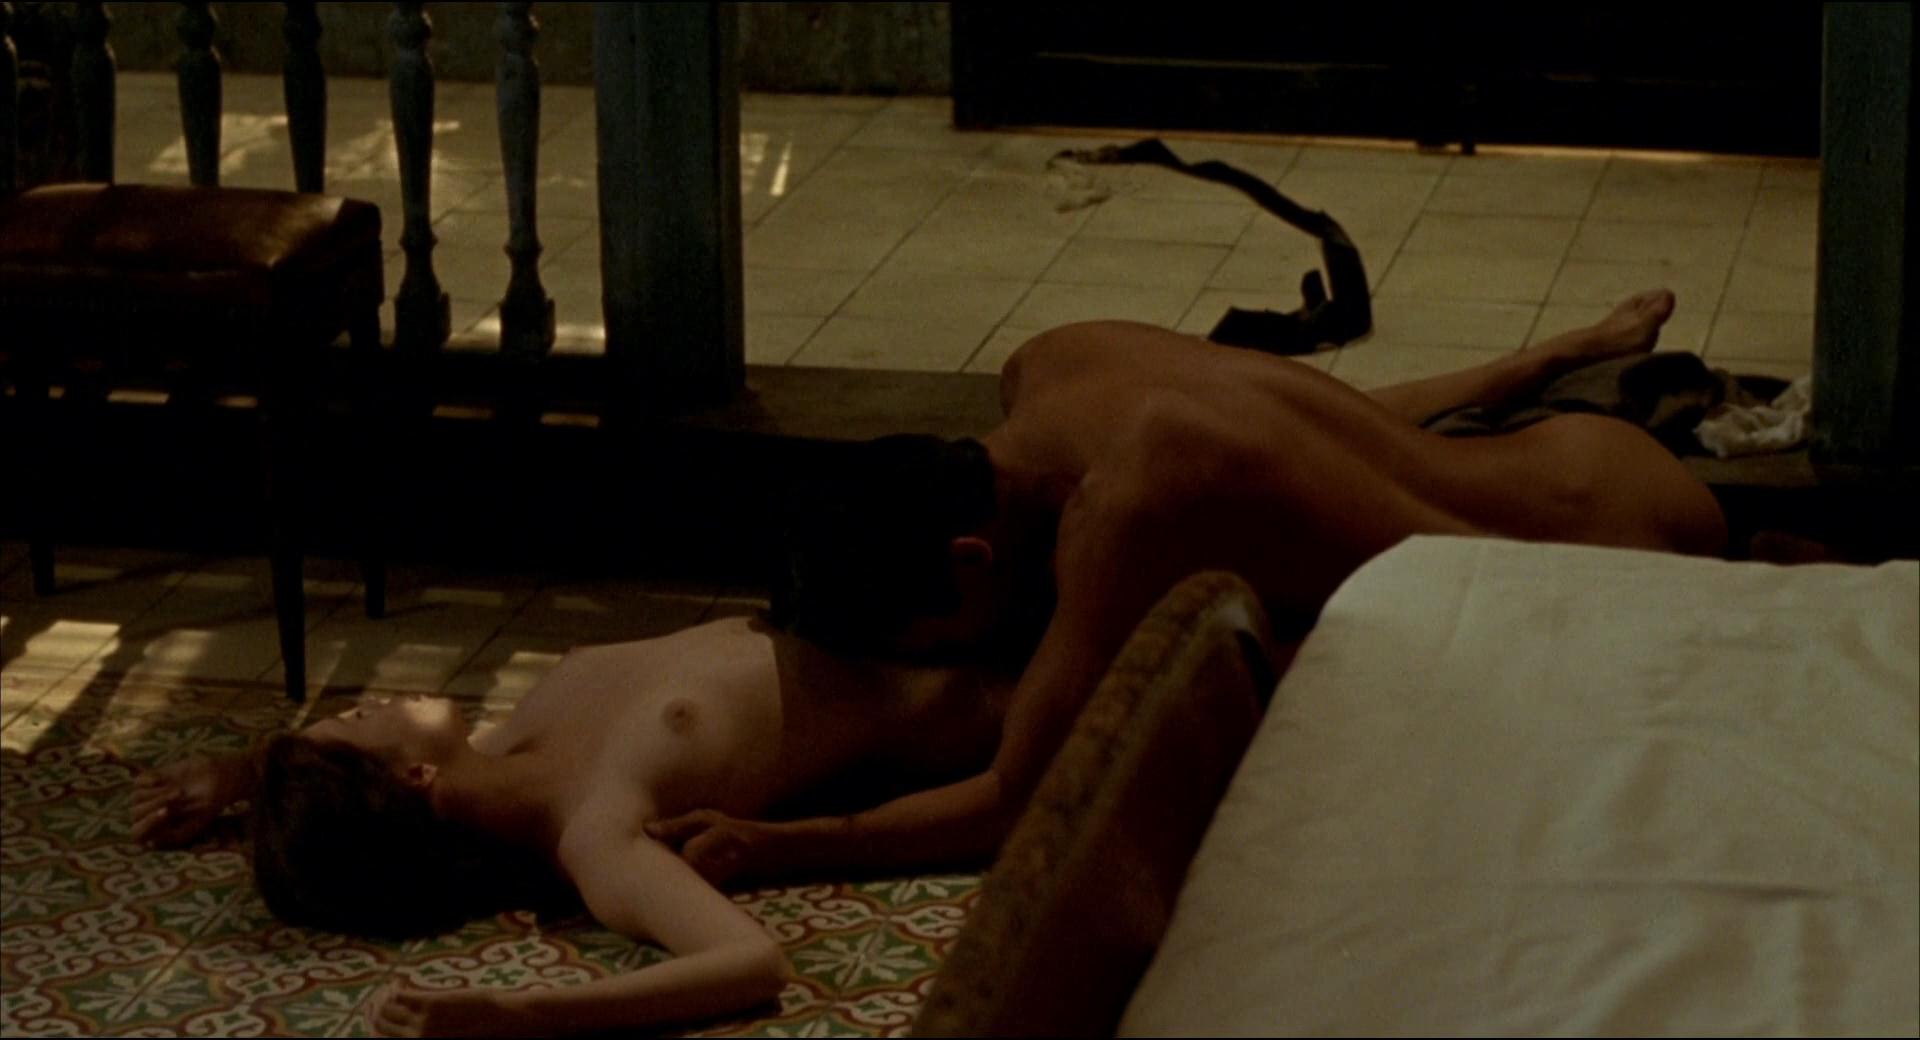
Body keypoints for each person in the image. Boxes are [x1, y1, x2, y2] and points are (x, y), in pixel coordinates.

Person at [647, 289, 1730, 882]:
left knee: (1256, 683)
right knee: (1318, 501)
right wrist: (1540, 361)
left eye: (941, 640)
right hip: (1595, 460)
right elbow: (1321, 428)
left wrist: (789, 844)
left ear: (971, 560)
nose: (970, 652)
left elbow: (1022, 804)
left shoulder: (1117, 522)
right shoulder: (1057, 357)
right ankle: (1552, 358)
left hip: (1618, 569)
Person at [129, 616, 1009, 1038]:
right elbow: (749, 963)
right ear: (414, 778)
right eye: (359, 722)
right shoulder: (595, 833)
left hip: (927, 603)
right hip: (992, 688)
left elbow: (333, 799)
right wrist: (515, 1014)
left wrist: (239, 777)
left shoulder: (508, 745)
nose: (371, 699)